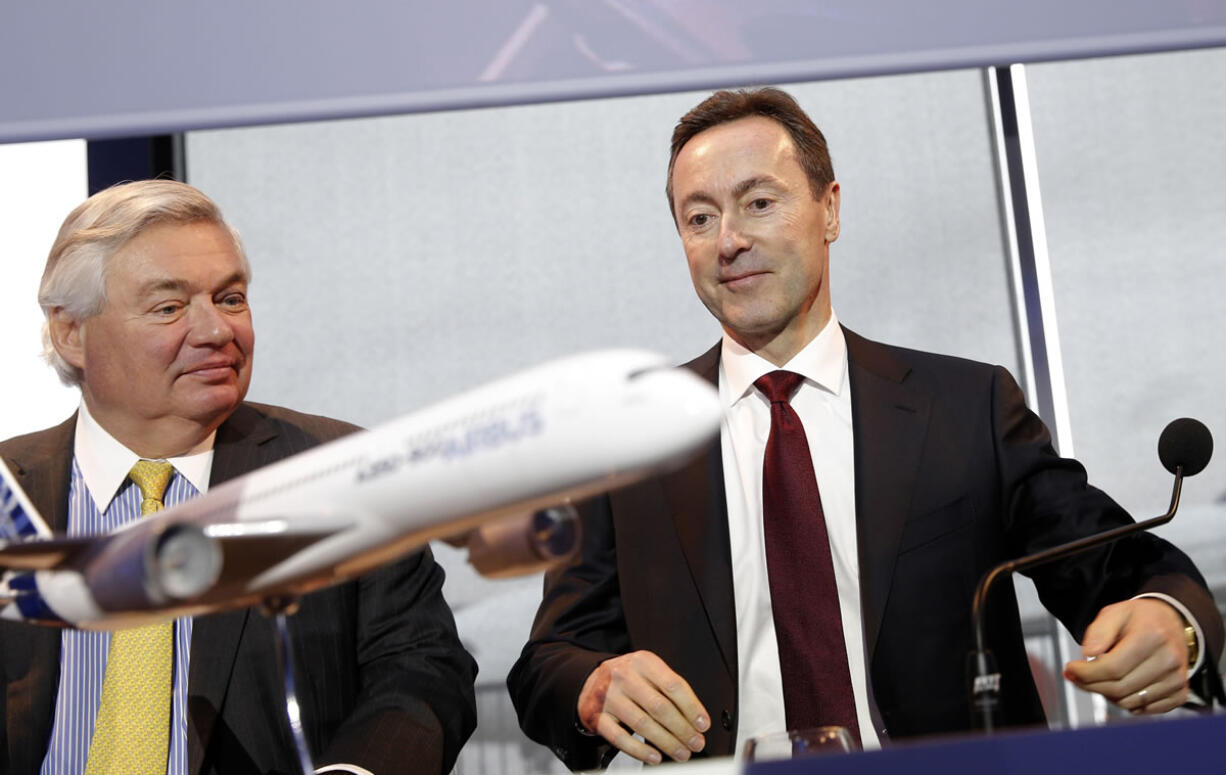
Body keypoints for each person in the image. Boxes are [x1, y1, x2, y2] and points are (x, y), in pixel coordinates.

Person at [507, 88, 1224, 769]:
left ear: (830, 210)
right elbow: (547, 661)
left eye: (758, 202)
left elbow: (1120, 569)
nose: (728, 240)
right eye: (699, 218)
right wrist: (593, 686)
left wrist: (1170, 621)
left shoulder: (964, 406)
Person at [0, 180, 478, 774]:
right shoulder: (6, 490)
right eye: (169, 307)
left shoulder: (341, 470)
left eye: (230, 299)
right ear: (72, 332)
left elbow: (422, 668)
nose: (216, 331)